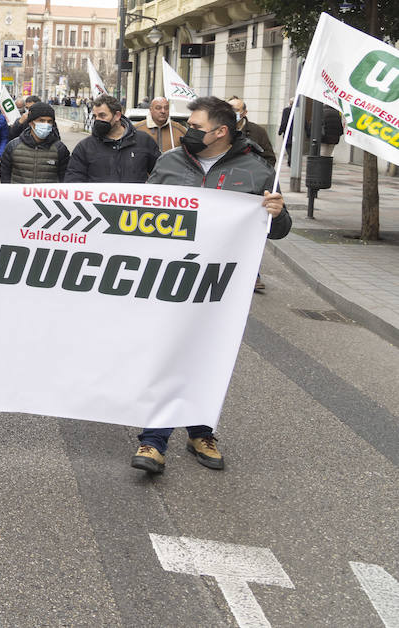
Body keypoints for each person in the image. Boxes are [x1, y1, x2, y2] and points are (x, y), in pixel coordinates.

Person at [131, 96, 291, 476]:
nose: (189, 132)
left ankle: (201, 430)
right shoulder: (169, 163)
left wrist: (277, 213)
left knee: (208, 356)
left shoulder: (256, 171)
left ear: (221, 132)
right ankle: (153, 441)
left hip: (221, 286)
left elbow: (281, 230)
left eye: (198, 127)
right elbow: (142, 214)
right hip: (169, 277)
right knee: (169, 352)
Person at [65, 94, 160, 184]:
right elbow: (73, 181)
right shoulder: (85, 147)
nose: (98, 120)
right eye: (95, 116)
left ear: (117, 116)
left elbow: (161, 174)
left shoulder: (144, 141)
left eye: (102, 115)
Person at [0, 102, 69, 184]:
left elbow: (64, 177)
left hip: (47, 195)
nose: (46, 124)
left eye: (49, 121)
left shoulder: (60, 149)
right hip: (19, 195)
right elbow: (5, 173)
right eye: (41, 121)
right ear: (31, 122)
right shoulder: (13, 146)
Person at [226, 96, 277, 164]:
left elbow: (269, 158)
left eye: (235, 110)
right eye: (228, 109)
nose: (231, 112)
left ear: (244, 113)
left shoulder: (258, 131)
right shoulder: (218, 130)